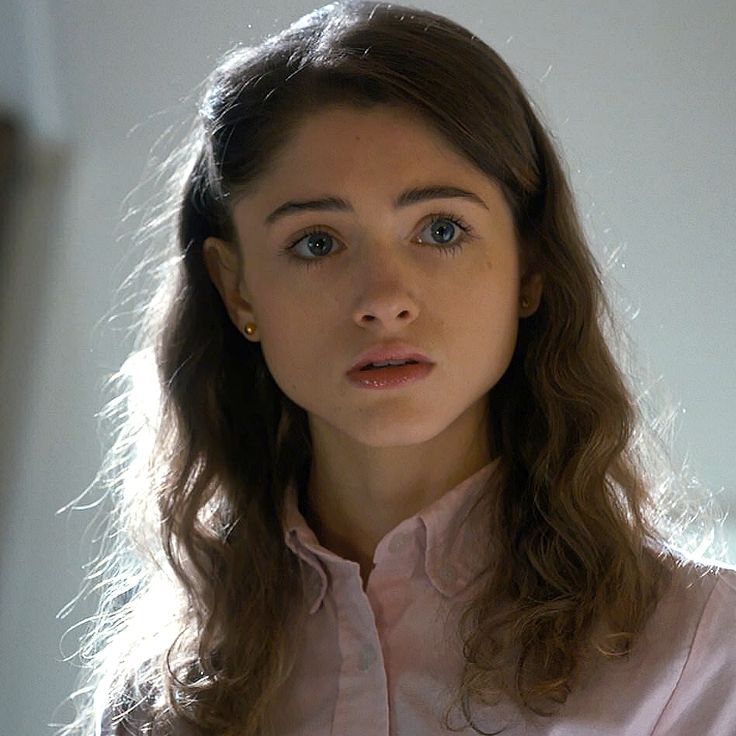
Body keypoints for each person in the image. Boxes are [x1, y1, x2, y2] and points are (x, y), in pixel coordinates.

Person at [59, 2, 736, 735]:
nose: (383, 300)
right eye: (317, 243)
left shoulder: (702, 652)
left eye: (440, 230)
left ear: (530, 267)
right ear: (236, 287)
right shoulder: (158, 693)